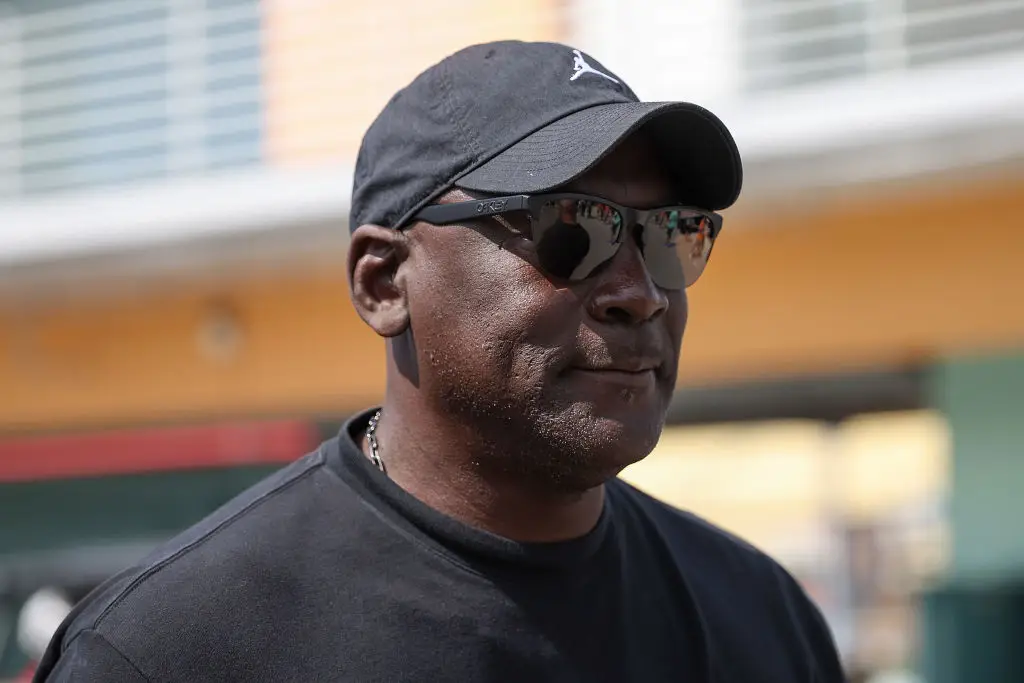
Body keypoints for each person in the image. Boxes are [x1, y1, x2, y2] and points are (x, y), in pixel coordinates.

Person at [35, 41, 845, 682]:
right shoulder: (172, 650)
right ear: (385, 282)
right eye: (574, 228)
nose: (639, 292)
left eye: (669, 234)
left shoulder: (758, 615)